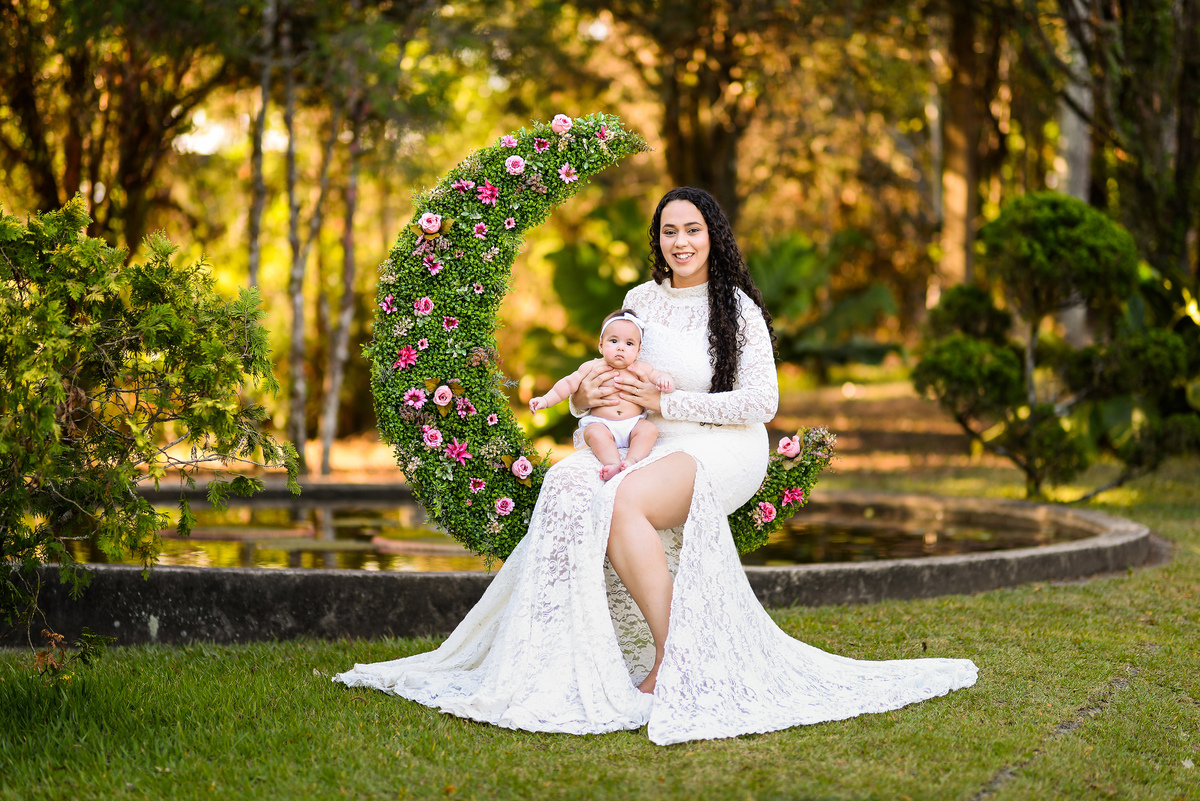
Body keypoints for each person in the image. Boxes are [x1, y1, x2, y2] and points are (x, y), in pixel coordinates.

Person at [335, 186, 977, 745]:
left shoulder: (738, 308)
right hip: (646, 439)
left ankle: (676, 658)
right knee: (565, 481)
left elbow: (762, 402)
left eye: (692, 230)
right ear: (658, 239)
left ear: (712, 236)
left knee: (626, 501)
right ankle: (562, 655)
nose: (681, 241)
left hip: (725, 444)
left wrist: (670, 400)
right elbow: (609, 379)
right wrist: (587, 399)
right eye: (669, 231)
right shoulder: (638, 298)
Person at [529, 309, 674, 480]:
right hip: (603, 424)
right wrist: (545, 400)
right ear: (601, 345)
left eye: (629, 344)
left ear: (638, 351)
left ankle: (632, 460)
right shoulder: (592, 366)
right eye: (614, 341)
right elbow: (568, 384)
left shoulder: (641, 367)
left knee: (649, 429)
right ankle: (612, 463)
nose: (621, 347)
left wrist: (665, 380)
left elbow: (657, 376)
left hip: (633, 424)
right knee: (593, 432)